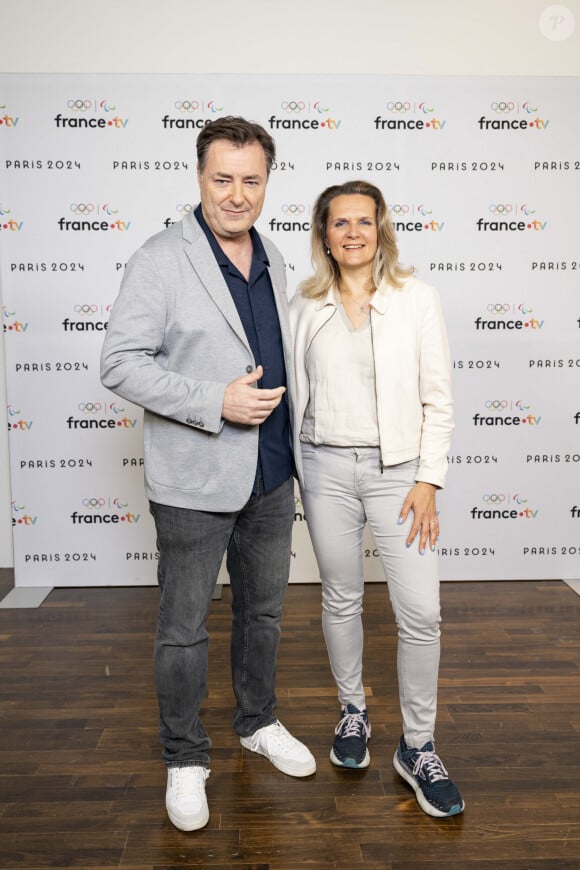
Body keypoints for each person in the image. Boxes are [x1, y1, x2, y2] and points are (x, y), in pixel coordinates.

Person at [101, 116, 316, 833]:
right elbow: (120, 362)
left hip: (273, 474)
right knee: (184, 627)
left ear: (266, 183)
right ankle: (185, 756)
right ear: (200, 178)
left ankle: (257, 722)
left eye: (251, 180)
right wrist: (212, 402)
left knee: (263, 613)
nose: (236, 194)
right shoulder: (160, 258)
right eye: (222, 179)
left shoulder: (277, 255)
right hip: (196, 477)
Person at [290, 179, 464, 818]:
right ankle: (352, 714)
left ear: (380, 229)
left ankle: (417, 746)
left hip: (400, 476)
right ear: (325, 236)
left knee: (420, 612)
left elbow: (438, 398)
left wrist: (428, 479)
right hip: (324, 467)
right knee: (340, 596)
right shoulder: (303, 305)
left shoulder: (417, 300)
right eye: (341, 223)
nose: (353, 233)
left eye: (364, 221)